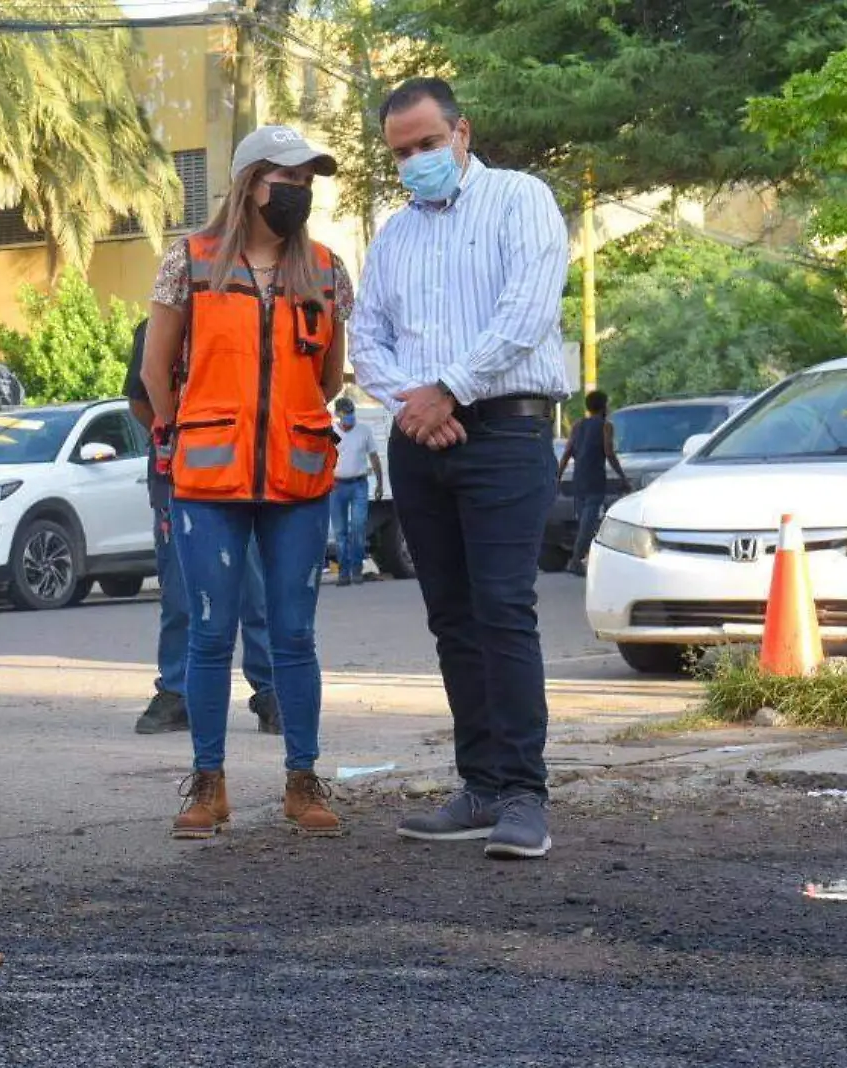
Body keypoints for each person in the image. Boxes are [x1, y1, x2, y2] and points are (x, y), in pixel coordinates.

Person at [349, 78, 569, 860]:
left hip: (506, 431)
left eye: (427, 144)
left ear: (462, 133)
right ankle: (478, 785)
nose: (415, 161)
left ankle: (523, 796)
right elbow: (365, 336)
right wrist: (415, 404)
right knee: (453, 618)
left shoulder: (520, 200)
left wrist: (451, 391)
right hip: (422, 440)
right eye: (401, 152)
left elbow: (528, 312)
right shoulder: (394, 237)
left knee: (504, 609)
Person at [140, 126, 352, 840]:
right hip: (207, 476)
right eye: (288, 178)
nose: (301, 191)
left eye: (308, 180)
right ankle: (208, 784)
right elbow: (153, 372)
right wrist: (188, 433)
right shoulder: (190, 263)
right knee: (209, 634)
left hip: (297, 474)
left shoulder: (326, 270)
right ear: (250, 182)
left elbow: (327, 378)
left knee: (295, 634)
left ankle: (303, 779)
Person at [123, 317, 281, 737]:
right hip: (177, 476)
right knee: (180, 592)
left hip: (242, 473)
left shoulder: (248, 318)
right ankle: (178, 693)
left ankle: (271, 691)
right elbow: (140, 399)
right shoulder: (157, 326)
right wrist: (176, 433)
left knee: (255, 590)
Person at [557, 390, 626, 576]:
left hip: (578, 480)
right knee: (588, 522)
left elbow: (567, 453)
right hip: (595, 480)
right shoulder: (606, 426)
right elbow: (609, 452)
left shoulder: (578, 425)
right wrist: (622, 477)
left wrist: (558, 477)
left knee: (584, 522)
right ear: (604, 406)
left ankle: (581, 559)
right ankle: (575, 560)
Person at [329, 397, 385, 587]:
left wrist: (379, 483)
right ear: (338, 415)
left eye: (352, 415)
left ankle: (356, 570)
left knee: (358, 528)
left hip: (359, 485)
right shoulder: (331, 433)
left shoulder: (364, 431)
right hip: (336, 487)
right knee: (340, 532)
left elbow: (374, 457)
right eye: (346, 416)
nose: (349, 419)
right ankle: (343, 573)